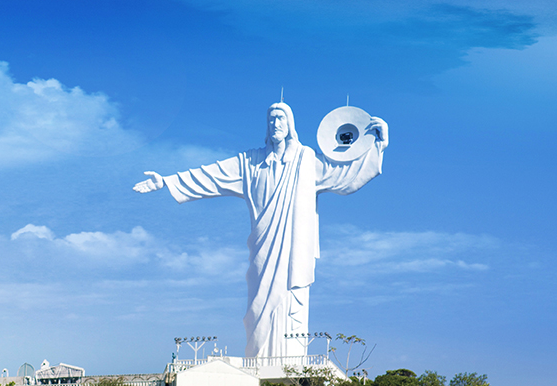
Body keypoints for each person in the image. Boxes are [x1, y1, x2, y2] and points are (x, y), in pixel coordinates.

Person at [134, 102, 388, 359]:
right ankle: (258, 357)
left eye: (281, 118)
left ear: (290, 124)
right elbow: (212, 175)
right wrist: (167, 181)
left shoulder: (305, 159)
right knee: (258, 305)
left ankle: (290, 359)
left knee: (291, 298)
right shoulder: (251, 162)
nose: (275, 124)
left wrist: (377, 145)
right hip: (263, 248)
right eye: (271, 119)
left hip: (293, 250)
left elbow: (342, 175)